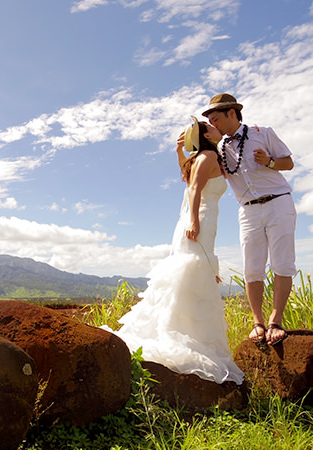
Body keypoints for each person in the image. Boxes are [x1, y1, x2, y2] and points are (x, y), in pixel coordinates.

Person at [104, 116, 244, 385]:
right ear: (205, 134)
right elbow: (193, 188)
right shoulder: (207, 157)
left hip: (204, 219)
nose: (215, 127)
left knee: (194, 268)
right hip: (200, 218)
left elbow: (187, 172)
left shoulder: (204, 158)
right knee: (190, 266)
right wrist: (193, 220)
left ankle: (185, 328)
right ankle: (177, 331)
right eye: (210, 126)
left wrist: (179, 151)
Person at [202, 93, 296, 346]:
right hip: (247, 209)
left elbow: (289, 162)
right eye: (211, 120)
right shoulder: (220, 148)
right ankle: (258, 322)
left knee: (282, 261)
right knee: (252, 267)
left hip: (279, 201)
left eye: (216, 118)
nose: (214, 124)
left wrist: (270, 161)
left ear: (232, 113)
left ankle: (276, 319)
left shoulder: (263, 132)